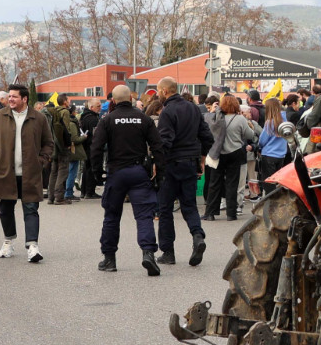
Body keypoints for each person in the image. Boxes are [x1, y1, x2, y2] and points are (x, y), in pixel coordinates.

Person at [91, 84, 166, 275]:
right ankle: (148, 253)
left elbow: (96, 148)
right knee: (144, 215)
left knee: (111, 216)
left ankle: (109, 259)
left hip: (116, 173)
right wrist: (160, 171)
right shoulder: (143, 118)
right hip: (138, 171)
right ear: (131, 99)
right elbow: (157, 146)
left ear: (113, 100)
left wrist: (97, 173)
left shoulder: (107, 120)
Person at [0, 84, 52, 262]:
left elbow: (49, 143)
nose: (10, 99)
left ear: (25, 99)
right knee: (5, 209)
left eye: (14, 97)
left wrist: (41, 161)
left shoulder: (38, 118)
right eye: (9, 96)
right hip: (5, 173)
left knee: (31, 209)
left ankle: (33, 246)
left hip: (30, 173)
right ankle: (8, 241)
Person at [154, 77, 212, 268]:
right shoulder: (193, 107)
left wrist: (157, 163)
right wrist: (202, 158)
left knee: (165, 208)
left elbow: (165, 141)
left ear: (164, 91)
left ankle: (168, 252)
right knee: (189, 205)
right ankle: (197, 236)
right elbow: (207, 136)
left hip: (171, 163)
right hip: (190, 162)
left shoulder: (167, 111)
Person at [205, 94, 259, 222]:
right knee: (232, 183)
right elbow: (250, 135)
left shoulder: (217, 117)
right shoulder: (240, 119)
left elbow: (207, 127)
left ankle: (211, 213)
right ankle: (231, 213)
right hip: (234, 152)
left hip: (218, 153)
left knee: (214, 182)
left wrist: (213, 110)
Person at [255, 97, 290, 182]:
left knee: (268, 182)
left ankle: (271, 195)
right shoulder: (285, 119)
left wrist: (258, 147)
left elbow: (262, 140)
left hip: (269, 154)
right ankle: (277, 195)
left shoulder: (270, 122)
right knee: (277, 181)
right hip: (281, 154)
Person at [78, 102, 103, 200]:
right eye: (98, 106)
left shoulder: (84, 117)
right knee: (91, 168)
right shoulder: (92, 119)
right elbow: (95, 134)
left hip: (86, 145)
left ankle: (84, 191)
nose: (100, 108)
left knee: (86, 168)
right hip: (91, 146)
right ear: (91, 107)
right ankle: (90, 191)